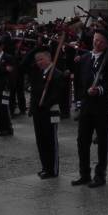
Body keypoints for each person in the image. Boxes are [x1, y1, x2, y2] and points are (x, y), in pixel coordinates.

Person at [71, 27, 108, 188]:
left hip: (102, 106)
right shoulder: (84, 58)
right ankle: (84, 174)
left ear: (106, 44)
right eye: (96, 40)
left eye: (101, 42)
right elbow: (78, 82)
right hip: (86, 105)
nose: (97, 43)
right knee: (82, 140)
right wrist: (78, 100)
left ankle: (100, 175)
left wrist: (100, 89)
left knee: (102, 141)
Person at [29, 47, 65, 179]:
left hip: (49, 111)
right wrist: (33, 107)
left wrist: (44, 104)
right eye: (37, 60)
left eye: (41, 59)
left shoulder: (56, 74)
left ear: (49, 58)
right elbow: (34, 92)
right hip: (38, 112)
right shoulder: (38, 73)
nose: (39, 62)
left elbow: (57, 95)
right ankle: (45, 167)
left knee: (50, 140)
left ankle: (53, 169)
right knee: (41, 140)